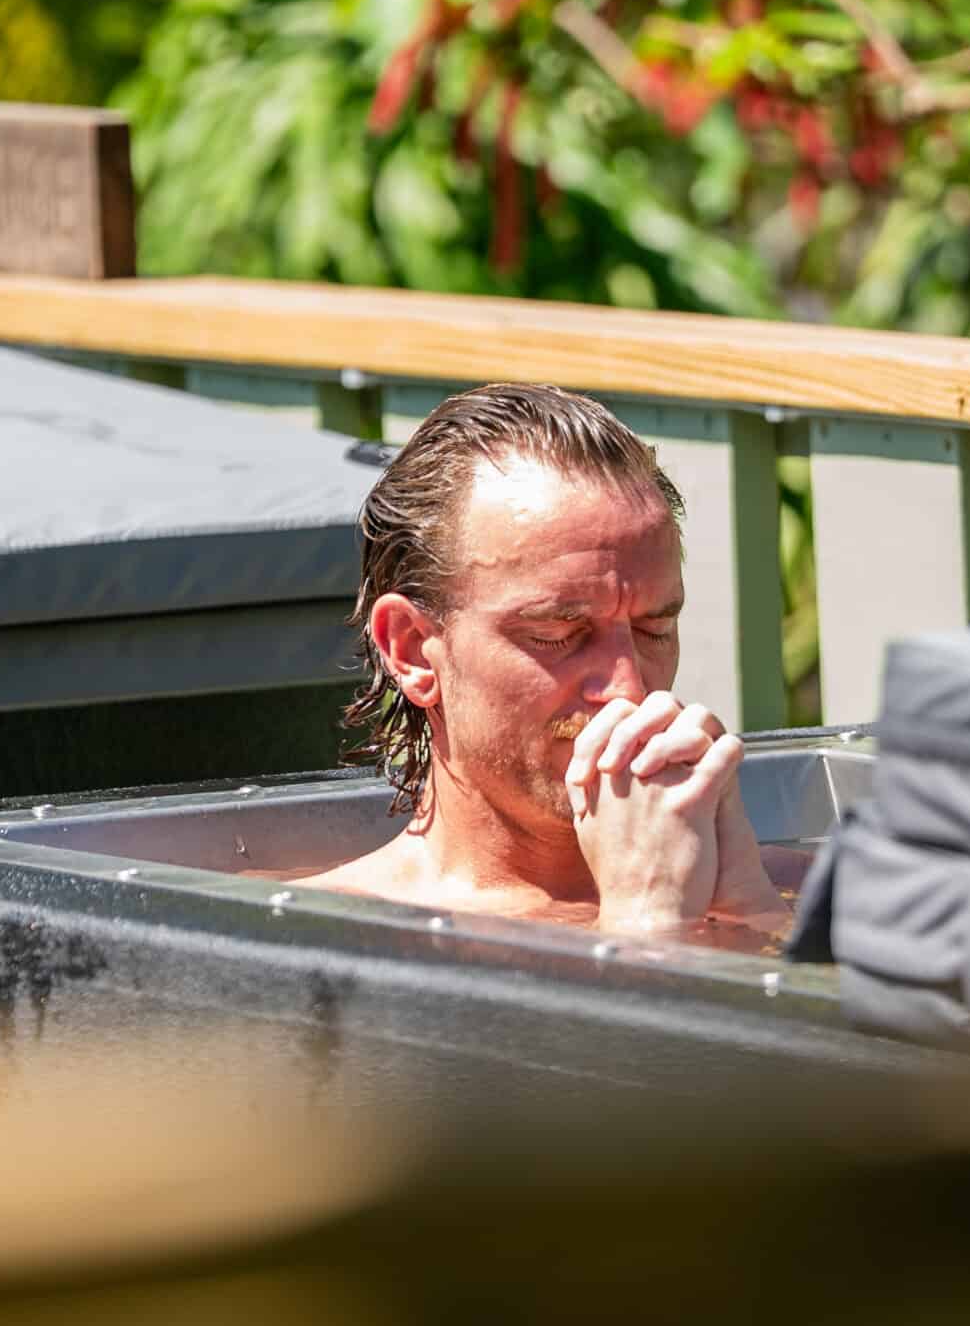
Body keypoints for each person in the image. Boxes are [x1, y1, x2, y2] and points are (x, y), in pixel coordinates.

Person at [300, 383, 801, 941]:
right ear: (413, 650)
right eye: (557, 634)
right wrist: (649, 924)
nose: (628, 689)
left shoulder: (801, 894)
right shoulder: (326, 940)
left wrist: (750, 910)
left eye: (653, 629)